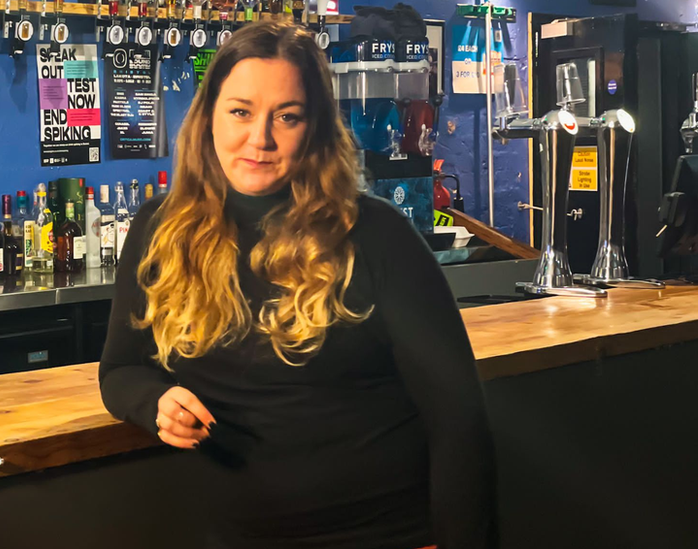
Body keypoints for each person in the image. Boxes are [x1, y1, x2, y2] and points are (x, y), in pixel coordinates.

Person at [99, 21, 495, 549]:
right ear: (208, 117)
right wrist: (155, 402)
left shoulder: (376, 235)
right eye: (240, 111)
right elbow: (120, 369)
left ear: (314, 130)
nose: (259, 138)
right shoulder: (161, 230)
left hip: (383, 534)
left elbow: (459, 417)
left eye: (287, 117)